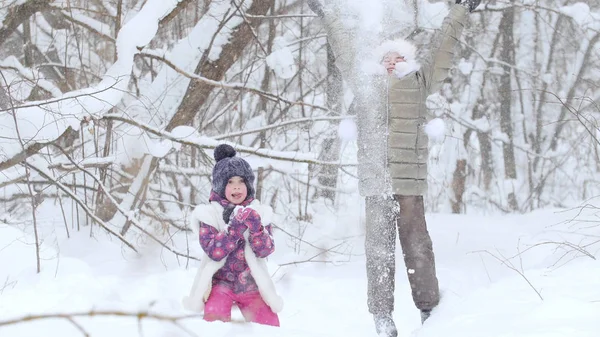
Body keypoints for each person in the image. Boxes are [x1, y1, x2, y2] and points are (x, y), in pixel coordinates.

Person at [356, 1, 482, 336]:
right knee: (378, 252)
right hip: (376, 183)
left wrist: (460, 11)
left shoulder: (418, 81)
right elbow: (341, 48)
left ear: (409, 62)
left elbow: (443, 48)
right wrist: (326, 13)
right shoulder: (367, 86)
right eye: (387, 58)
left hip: (409, 182)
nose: (392, 63)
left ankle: (429, 309)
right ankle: (382, 317)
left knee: (418, 246)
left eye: (399, 58)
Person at [182, 144, 283, 326]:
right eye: (230, 182)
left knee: (270, 327)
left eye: (241, 182)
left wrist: (256, 228)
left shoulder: (259, 212)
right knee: (214, 325)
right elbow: (214, 251)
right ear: (221, 185)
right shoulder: (209, 214)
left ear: (248, 185)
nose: (236, 188)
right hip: (220, 285)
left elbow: (266, 250)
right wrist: (233, 229)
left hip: (252, 286)